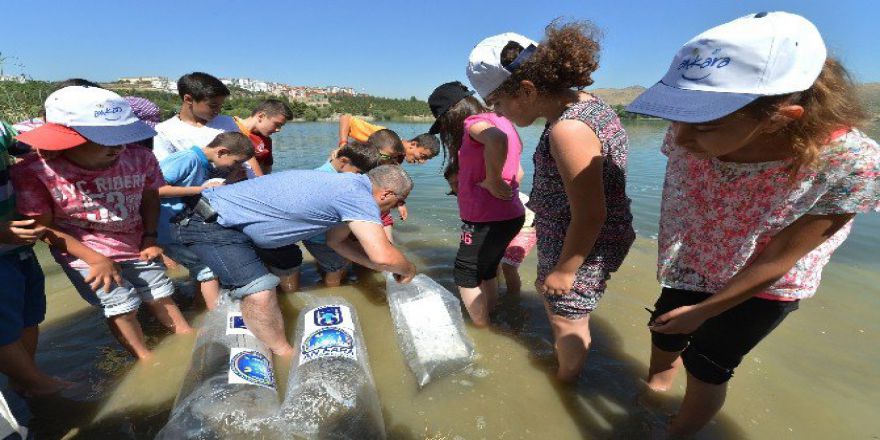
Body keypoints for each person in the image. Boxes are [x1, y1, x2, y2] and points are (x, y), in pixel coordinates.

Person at [624, 12, 880, 437]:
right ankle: (655, 390)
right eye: (677, 117)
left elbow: (782, 256)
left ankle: (677, 433)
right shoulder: (691, 132)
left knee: (708, 365)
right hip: (694, 257)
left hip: (765, 284)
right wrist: (689, 309)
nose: (680, 138)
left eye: (704, 125)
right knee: (666, 333)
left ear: (782, 116)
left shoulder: (852, 164)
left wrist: (705, 312)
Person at [468, 24, 635, 382]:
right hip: (583, 232)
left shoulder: (568, 129)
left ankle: (566, 384)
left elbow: (591, 214)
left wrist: (566, 270)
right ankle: (566, 369)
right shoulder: (586, 105)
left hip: (580, 240)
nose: (498, 114)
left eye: (497, 103)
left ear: (526, 90)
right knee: (565, 310)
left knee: (566, 317)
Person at [11, 86, 193, 361]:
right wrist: (94, 258)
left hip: (135, 242)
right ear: (67, 139)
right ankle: (146, 360)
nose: (118, 148)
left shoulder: (139, 158)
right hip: (82, 251)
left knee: (160, 293)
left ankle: (186, 336)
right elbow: (42, 228)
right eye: (106, 141)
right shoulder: (35, 171)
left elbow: (150, 198)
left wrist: (151, 238)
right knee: (122, 306)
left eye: (121, 139)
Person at [171, 165, 418, 355]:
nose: (396, 208)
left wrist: (380, 267)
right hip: (210, 222)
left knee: (289, 259)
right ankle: (283, 354)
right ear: (387, 193)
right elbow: (383, 255)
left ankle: (258, 317)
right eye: (399, 202)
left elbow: (336, 242)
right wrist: (408, 268)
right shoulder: (359, 196)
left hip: (234, 221)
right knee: (260, 292)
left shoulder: (349, 185)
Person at [429, 81, 525, 327]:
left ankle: (481, 328)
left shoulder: (473, 123)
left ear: (452, 114)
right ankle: (492, 315)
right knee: (488, 269)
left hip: (485, 218)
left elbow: (496, 140)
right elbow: (519, 171)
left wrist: (492, 182)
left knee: (465, 272)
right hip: (511, 214)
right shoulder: (503, 119)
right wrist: (503, 186)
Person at [0, 120, 69, 398]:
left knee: (29, 314)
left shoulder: (2, 127)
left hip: (17, 245)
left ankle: (25, 378)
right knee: (2, 326)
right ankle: (40, 384)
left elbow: (29, 147)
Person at [157, 132, 254, 309]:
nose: (236, 166)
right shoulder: (187, 159)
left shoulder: (201, 163)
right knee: (207, 269)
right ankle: (217, 318)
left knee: (202, 268)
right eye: (236, 161)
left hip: (181, 226)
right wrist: (200, 189)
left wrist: (229, 180)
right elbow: (155, 189)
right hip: (167, 227)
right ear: (222, 152)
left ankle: (199, 308)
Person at [306, 141, 381, 286]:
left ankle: (332, 280)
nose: (359, 177)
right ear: (344, 161)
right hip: (318, 239)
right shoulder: (331, 181)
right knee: (336, 268)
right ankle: (334, 295)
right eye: (358, 173)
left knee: (337, 264)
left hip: (323, 236)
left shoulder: (327, 170)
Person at [152, 72, 239, 161]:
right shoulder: (164, 131)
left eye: (221, 105)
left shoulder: (228, 123)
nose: (218, 110)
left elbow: (246, 158)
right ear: (188, 99)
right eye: (213, 105)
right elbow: (165, 169)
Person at [337, 114, 440, 164]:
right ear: (413, 144)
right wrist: (343, 145)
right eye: (423, 156)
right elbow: (346, 118)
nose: (422, 162)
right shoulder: (385, 137)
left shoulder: (398, 159)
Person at [233, 99, 294, 176]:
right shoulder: (229, 127)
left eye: (281, 126)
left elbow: (266, 170)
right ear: (261, 116)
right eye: (277, 124)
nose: (278, 130)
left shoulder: (267, 141)